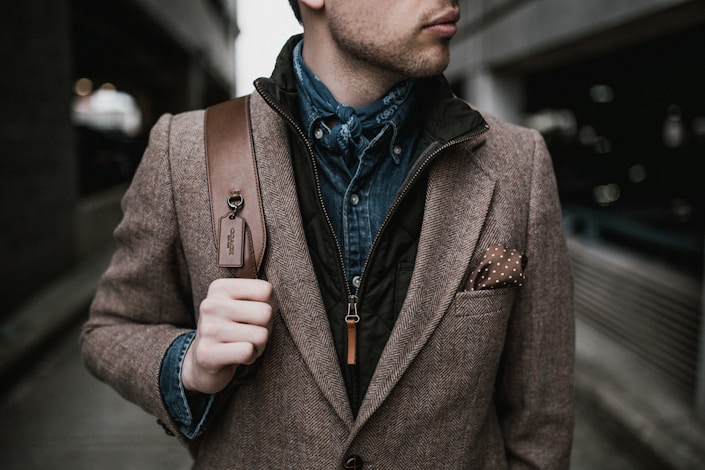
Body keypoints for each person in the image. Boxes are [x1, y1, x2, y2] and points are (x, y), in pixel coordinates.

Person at [81, 0, 575, 468]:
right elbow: (111, 328)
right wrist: (186, 365)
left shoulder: (518, 163)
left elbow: (542, 420)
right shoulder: (184, 149)